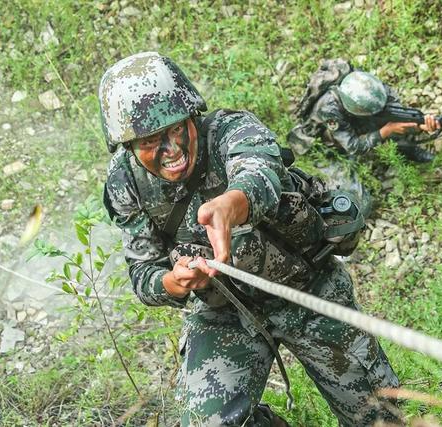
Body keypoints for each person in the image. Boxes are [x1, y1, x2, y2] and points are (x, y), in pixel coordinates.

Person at [100, 52, 400, 426]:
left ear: (192, 114)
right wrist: (173, 282)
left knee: (381, 418)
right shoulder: (125, 184)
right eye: (150, 141)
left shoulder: (231, 129)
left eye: (177, 129)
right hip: (226, 313)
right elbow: (143, 272)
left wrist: (231, 204)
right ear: (128, 145)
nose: (172, 149)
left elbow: (261, 170)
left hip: (310, 288)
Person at [288, 61, 441, 163]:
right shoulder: (329, 110)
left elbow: (398, 114)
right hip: (335, 132)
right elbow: (353, 147)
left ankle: (408, 149)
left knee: (391, 123)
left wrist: (420, 126)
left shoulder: (373, 89)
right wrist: (386, 131)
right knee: (385, 128)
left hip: (357, 114)